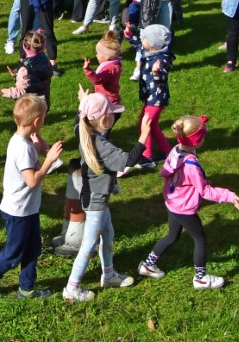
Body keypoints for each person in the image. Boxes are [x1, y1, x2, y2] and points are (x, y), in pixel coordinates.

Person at [0, 94, 64, 300]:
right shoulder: (22, 148)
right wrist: (48, 161)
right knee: (14, 253)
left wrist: (40, 144)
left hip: (28, 208)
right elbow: (32, 180)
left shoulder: (23, 140)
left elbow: (37, 152)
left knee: (33, 248)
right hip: (18, 211)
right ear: (37, 121)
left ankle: (27, 289)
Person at [61, 90, 148, 301]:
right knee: (89, 244)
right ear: (104, 119)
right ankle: (71, 288)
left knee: (108, 234)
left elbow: (79, 119)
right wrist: (144, 133)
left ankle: (108, 275)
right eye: (111, 114)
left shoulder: (83, 130)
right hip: (96, 201)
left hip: (96, 196)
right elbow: (128, 161)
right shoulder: (102, 145)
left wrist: (82, 102)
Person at [137, 116, 239, 289]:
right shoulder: (191, 165)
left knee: (173, 235)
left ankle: (148, 265)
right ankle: (200, 278)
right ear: (197, 141)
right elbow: (205, 191)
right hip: (184, 208)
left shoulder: (176, 150)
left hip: (173, 202)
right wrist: (228, 196)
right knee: (200, 239)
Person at [127, 24, 173, 172]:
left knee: (145, 125)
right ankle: (167, 152)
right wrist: (129, 36)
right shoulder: (150, 51)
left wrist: (155, 73)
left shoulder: (161, 60)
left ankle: (147, 157)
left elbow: (162, 79)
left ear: (153, 43)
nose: (142, 40)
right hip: (151, 97)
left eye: (144, 38)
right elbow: (139, 46)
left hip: (156, 99)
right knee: (152, 125)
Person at [0, 29, 55, 107]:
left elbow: (20, 91)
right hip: (43, 103)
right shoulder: (45, 59)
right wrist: (16, 76)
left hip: (29, 107)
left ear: (24, 47)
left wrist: (0, 92)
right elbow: (35, 79)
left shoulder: (25, 69)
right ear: (43, 47)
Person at [83, 30, 123, 104]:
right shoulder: (114, 65)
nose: (96, 56)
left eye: (98, 54)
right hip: (111, 100)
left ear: (106, 56)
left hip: (107, 103)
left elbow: (97, 80)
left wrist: (87, 70)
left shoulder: (108, 69)